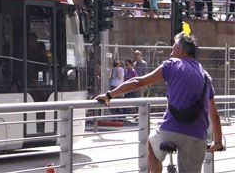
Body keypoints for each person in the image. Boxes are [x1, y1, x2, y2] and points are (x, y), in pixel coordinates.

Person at [94, 33, 224, 173]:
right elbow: (214, 114)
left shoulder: (171, 65)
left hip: (170, 130)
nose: (171, 52)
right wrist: (217, 142)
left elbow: (138, 82)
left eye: (173, 49)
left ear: (180, 50)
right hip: (197, 135)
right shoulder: (205, 76)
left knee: (151, 142)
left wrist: (109, 94)